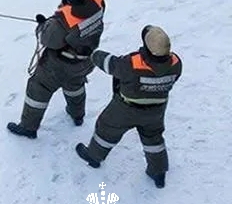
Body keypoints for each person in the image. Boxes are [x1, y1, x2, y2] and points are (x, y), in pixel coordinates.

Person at [75, 25, 181, 189]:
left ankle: (94, 157)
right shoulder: (176, 64)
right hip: (156, 110)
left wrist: (94, 53)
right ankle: (158, 172)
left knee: (106, 130)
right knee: (153, 139)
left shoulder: (131, 64)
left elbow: (110, 64)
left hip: (125, 109)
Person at [7, 0, 106, 139]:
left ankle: (29, 127)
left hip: (60, 65)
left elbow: (48, 40)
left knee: (38, 88)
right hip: (85, 60)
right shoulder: (98, 1)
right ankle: (78, 115)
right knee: (75, 86)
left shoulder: (64, 21)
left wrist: (42, 25)